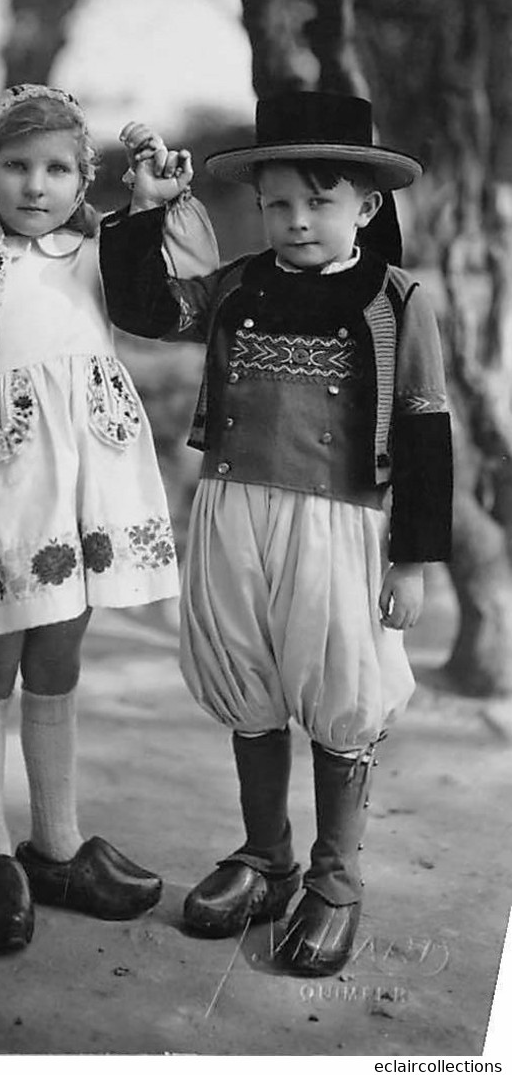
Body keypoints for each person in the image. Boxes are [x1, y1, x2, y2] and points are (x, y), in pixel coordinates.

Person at [101, 92, 453, 977]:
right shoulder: (233, 285)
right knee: (245, 675)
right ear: (259, 205)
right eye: (279, 203)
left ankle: (335, 879)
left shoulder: (396, 300)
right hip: (232, 510)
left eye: (320, 202)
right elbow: (145, 312)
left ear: (366, 207)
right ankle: (265, 856)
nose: (297, 220)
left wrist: (410, 561)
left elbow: (422, 430)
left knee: (339, 682)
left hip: (342, 522)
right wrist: (144, 212)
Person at [0, 83, 218, 955]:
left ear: (84, 180)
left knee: (61, 649)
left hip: (85, 484)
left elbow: (172, 302)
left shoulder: (99, 255)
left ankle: (58, 844)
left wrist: (154, 207)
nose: (38, 185)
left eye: (60, 169)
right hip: (1, 490)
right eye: (18, 166)